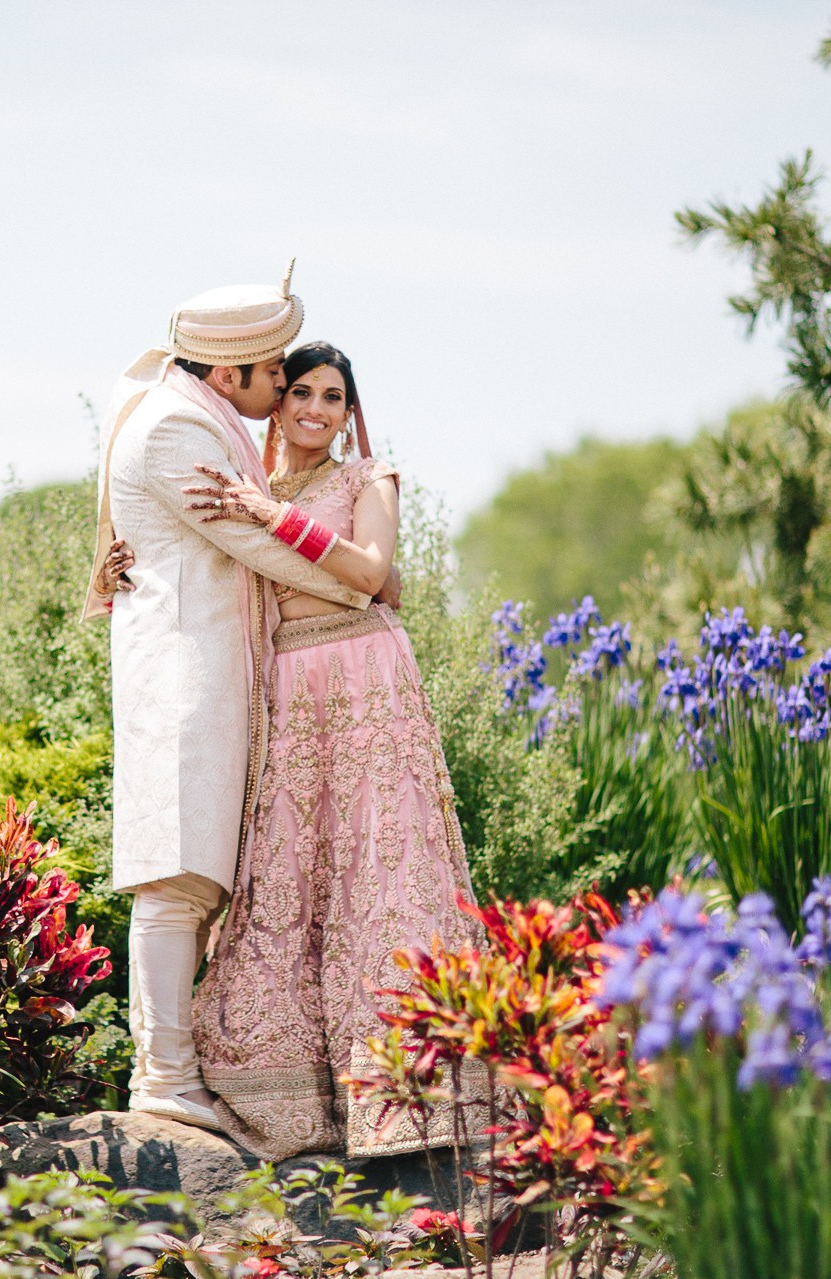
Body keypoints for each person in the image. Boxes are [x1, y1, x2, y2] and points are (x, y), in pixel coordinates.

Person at [158, 342, 482, 1160]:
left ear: (349, 411)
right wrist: (130, 567)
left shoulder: (367, 479)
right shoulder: (253, 482)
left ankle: (405, 1099)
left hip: (366, 674)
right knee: (292, 867)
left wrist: (271, 517)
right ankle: (294, 1104)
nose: (314, 409)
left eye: (333, 397)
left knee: (379, 866)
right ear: (278, 398)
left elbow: (373, 573)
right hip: (290, 689)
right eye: (300, 390)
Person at [83, 270, 380, 1132]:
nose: (282, 389)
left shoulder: (182, 405)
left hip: (209, 676)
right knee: (175, 879)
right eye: (273, 375)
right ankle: (162, 1076)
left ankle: (173, 1069)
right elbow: (249, 541)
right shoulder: (178, 424)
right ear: (228, 373)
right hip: (185, 679)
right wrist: (356, 587)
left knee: (194, 880)